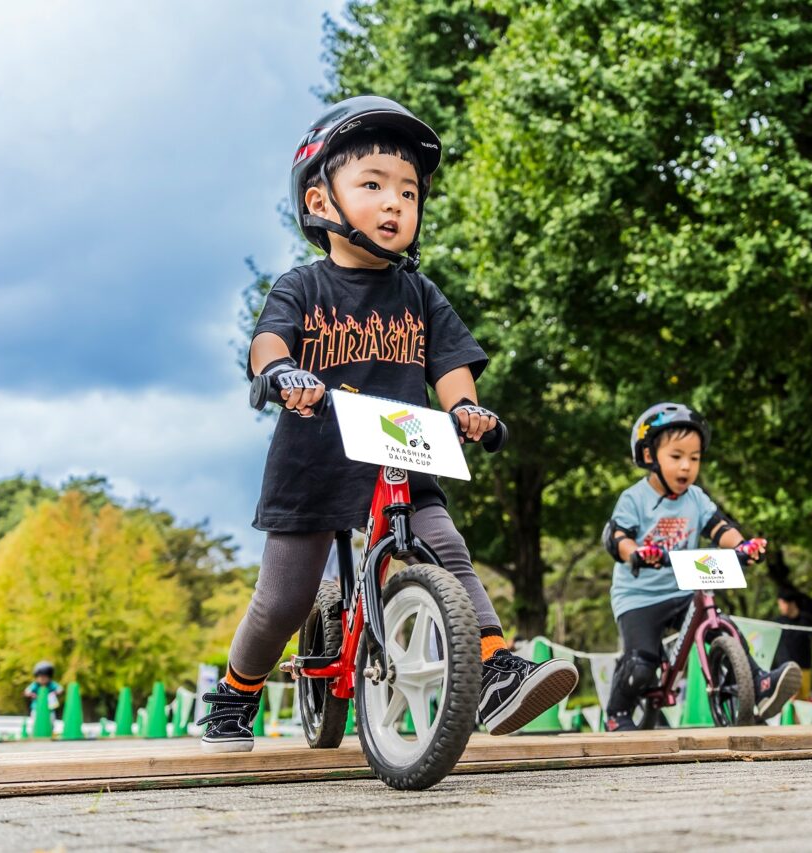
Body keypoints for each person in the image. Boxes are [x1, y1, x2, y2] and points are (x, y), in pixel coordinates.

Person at [198, 96, 577, 752]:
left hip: (403, 448)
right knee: (284, 598)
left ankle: (491, 665)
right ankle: (236, 689)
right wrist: (282, 373)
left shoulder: (419, 293)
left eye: (409, 191)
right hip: (314, 455)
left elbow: (451, 363)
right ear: (320, 202)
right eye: (373, 185)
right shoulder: (302, 286)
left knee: (445, 546)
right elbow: (267, 344)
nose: (397, 201)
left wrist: (465, 408)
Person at [601, 402, 801, 731]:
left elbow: (719, 526)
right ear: (650, 457)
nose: (687, 467)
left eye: (694, 458)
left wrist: (743, 546)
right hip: (638, 596)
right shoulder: (634, 498)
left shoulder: (695, 497)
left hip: (682, 588)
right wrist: (635, 552)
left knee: (721, 625)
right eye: (676, 456)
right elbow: (618, 536)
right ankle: (616, 713)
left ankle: (758, 684)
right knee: (642, 663)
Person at [774, 588, 812, 700]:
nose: (780, 607)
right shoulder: (778, 622)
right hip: (785, 669)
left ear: (791, 603)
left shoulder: (807, 620)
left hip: (804, 668)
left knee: (803, 704)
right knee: (788, 701)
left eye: (781, 604)